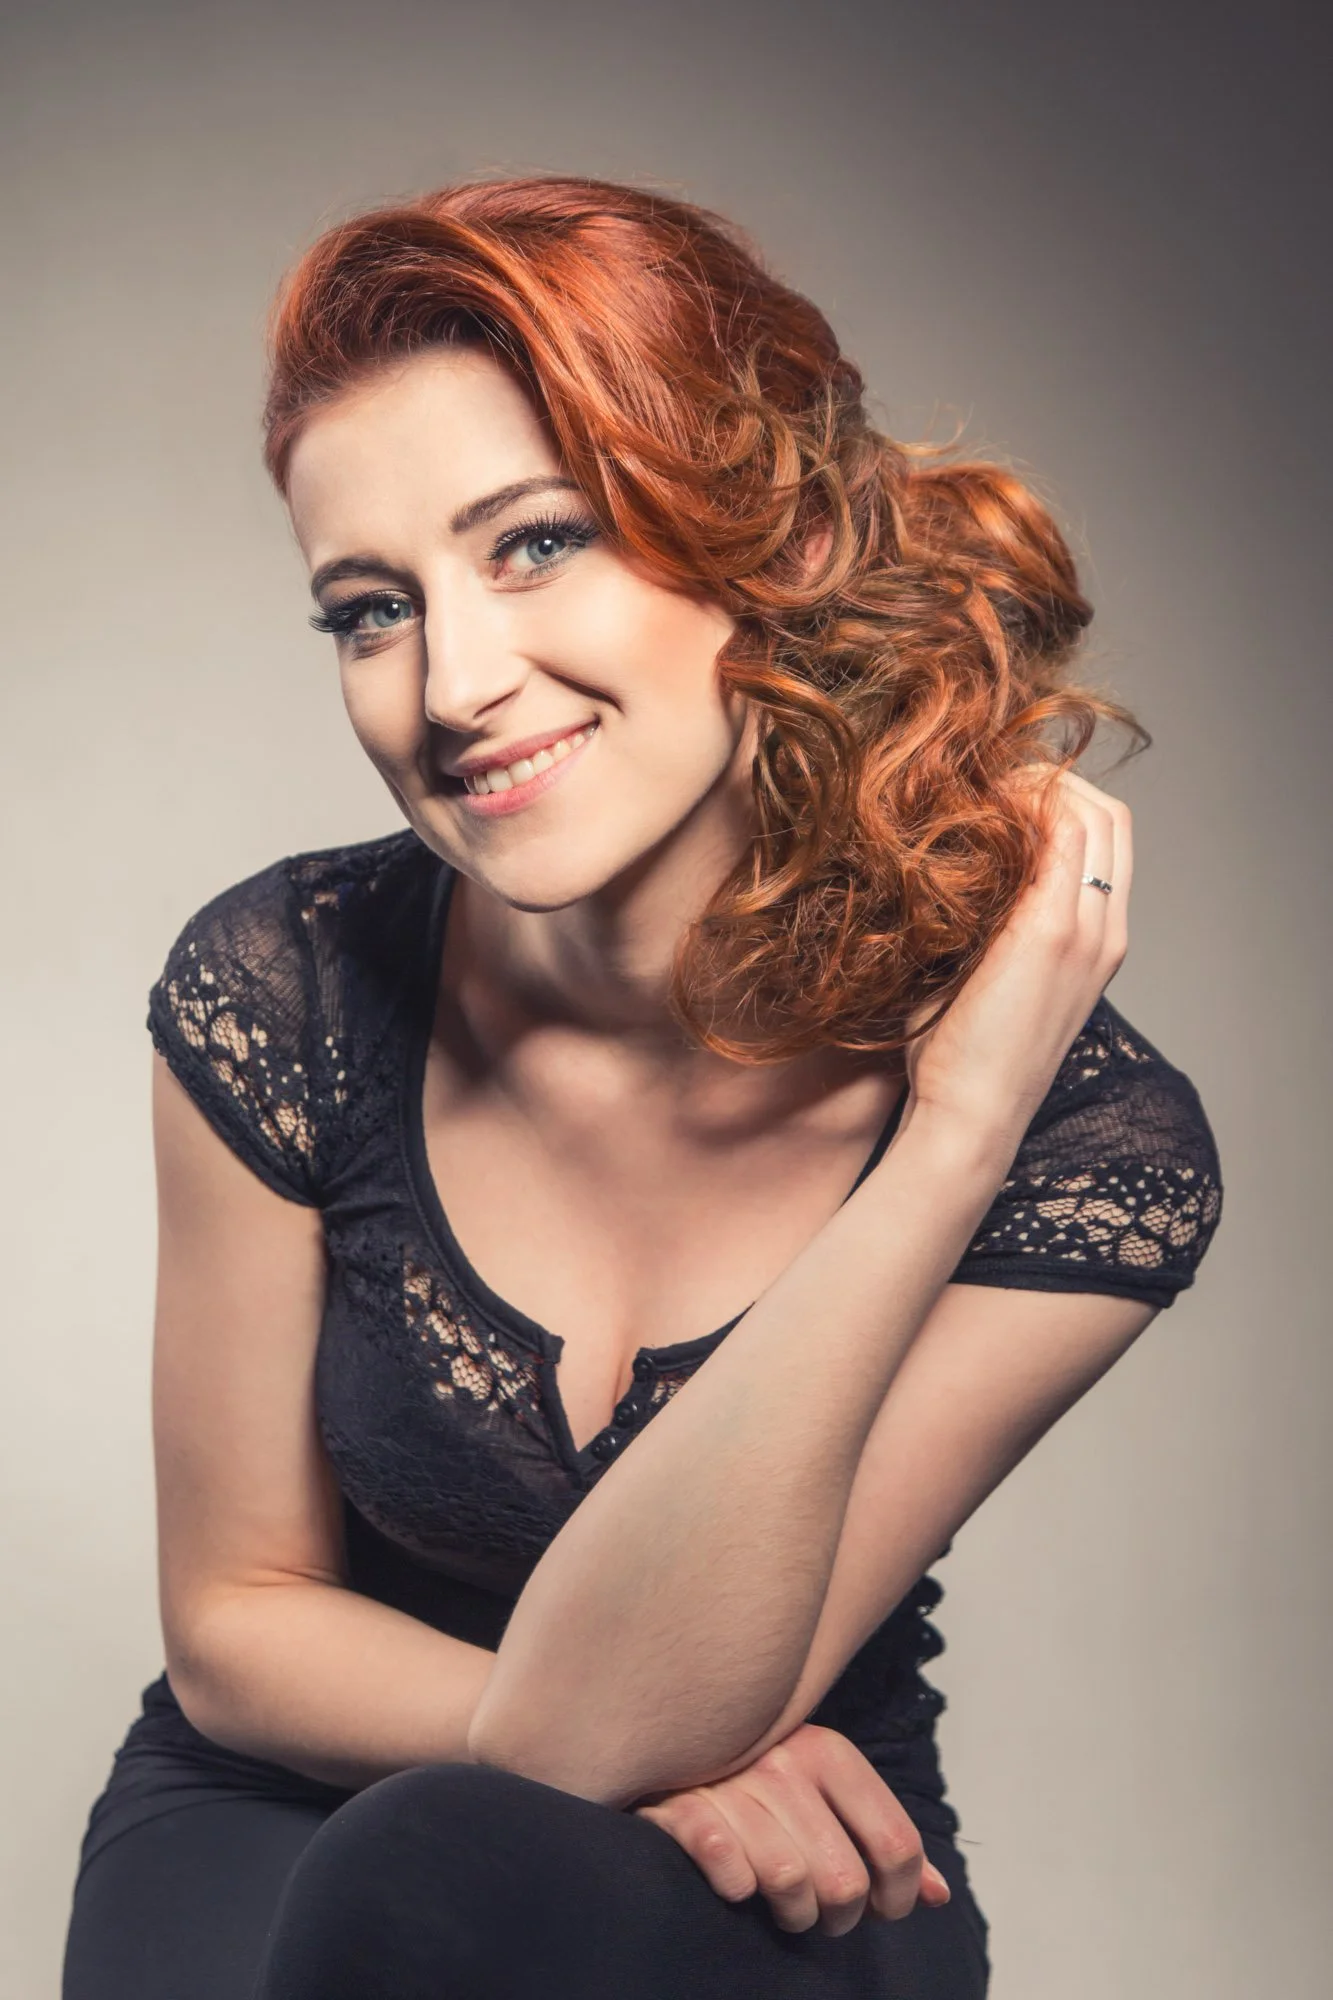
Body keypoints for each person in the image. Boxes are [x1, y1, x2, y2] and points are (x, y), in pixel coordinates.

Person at [60, 175, 1223, 2000]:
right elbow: (233, 1622)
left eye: (535, 544)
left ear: (780, 545)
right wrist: (583, 1745)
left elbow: (665, 1703)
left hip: (790, 1855)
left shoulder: (1084, 1146)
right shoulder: (285, 985)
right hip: (320, 1774)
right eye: (371, 610)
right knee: (394, 1860)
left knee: (439, 1868)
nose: (454, 683)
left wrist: (949, 1142)